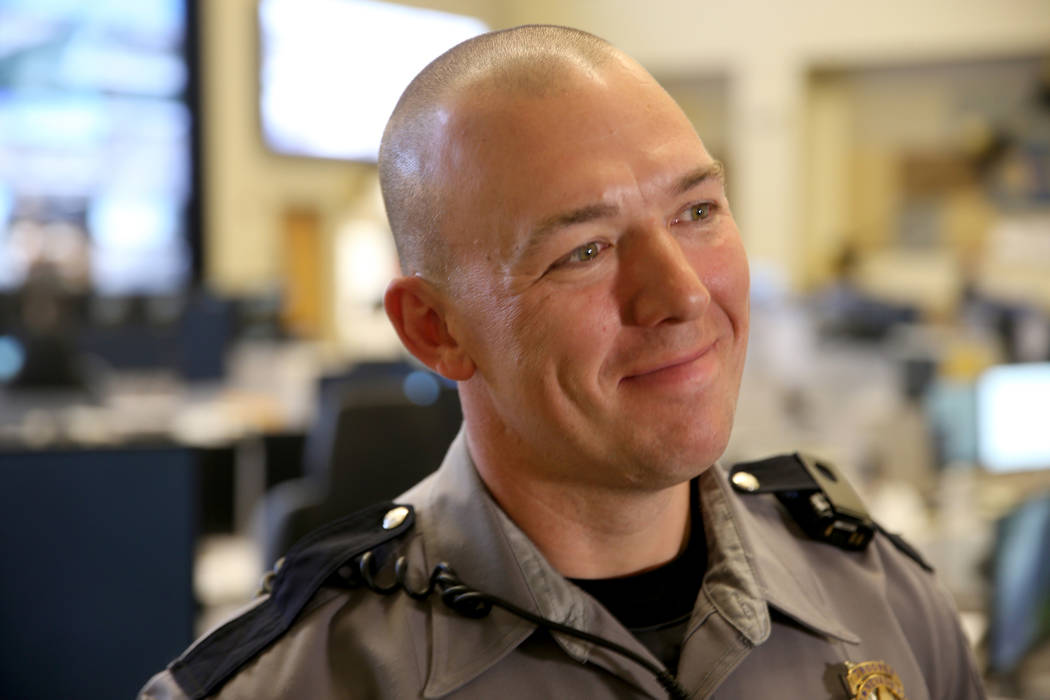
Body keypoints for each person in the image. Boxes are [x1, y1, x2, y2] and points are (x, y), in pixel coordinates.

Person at [141, 25, 986, 699]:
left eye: (697, 210)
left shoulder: (889, 606)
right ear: (435, 329)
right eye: (584, 251)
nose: (683, 294)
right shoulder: (299, 682)